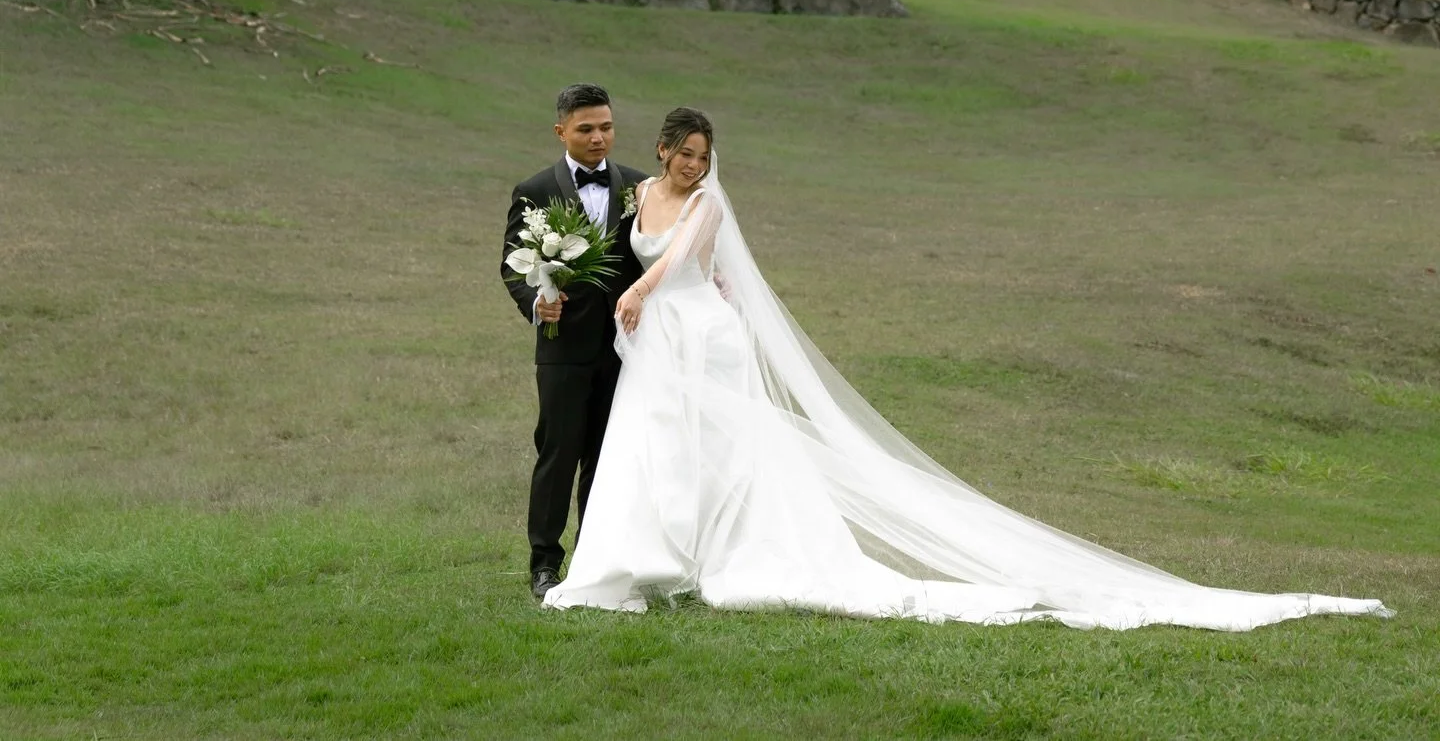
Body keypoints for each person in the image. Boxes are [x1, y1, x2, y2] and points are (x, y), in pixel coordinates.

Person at [543, 107, 1389, 629]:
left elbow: (685, 253)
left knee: (722, 453)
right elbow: (655, 258)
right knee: (657, 447)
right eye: (683, 152)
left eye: (703, 153)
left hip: (693, 330)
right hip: (661, 339)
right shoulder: (635, 195)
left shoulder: (708, 201)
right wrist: (606, 292)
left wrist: (651, 290)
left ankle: (715, 557)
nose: (693, 163)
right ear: (660, 150)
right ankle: (651, 561)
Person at [501, 82, 646, 600]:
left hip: (627, 349)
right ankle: (544, 563)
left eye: (606, 126)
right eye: (586, 128)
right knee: (557, 454)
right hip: (562, 349)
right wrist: (537, 304)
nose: (599, 137)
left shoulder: (638, 187)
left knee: (608, 456)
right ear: (562, 130)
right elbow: (513, 266)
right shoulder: (534, 190)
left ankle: (593, 556)